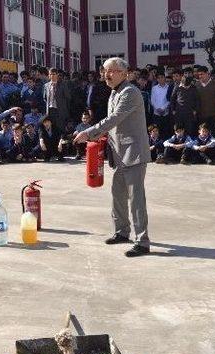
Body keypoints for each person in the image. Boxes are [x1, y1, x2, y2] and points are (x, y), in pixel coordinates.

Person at [74, 57, 152, 257]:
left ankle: (142, 241)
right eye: (104, 70)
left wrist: (89, 133)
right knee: (117, 194)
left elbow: (114, 119)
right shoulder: (113, 92)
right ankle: (122, 232)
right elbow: (113, 127)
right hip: (118, 153)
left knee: (136, 199)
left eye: (111, 71)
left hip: (133, 153)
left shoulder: (130, 93)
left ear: (124, 73)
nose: (106, 74)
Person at [43, 68, 71, 132]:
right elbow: (44, 98)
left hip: (60, 110)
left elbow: (68, 97)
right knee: (51, 128)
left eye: (54, 74)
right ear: (49, 75)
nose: (52, 76)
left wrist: (65, 108)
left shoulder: (63, 85)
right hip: (50, 110)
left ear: (57, 75)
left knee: (60, 128)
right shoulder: (46, 85)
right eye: (50, 74)